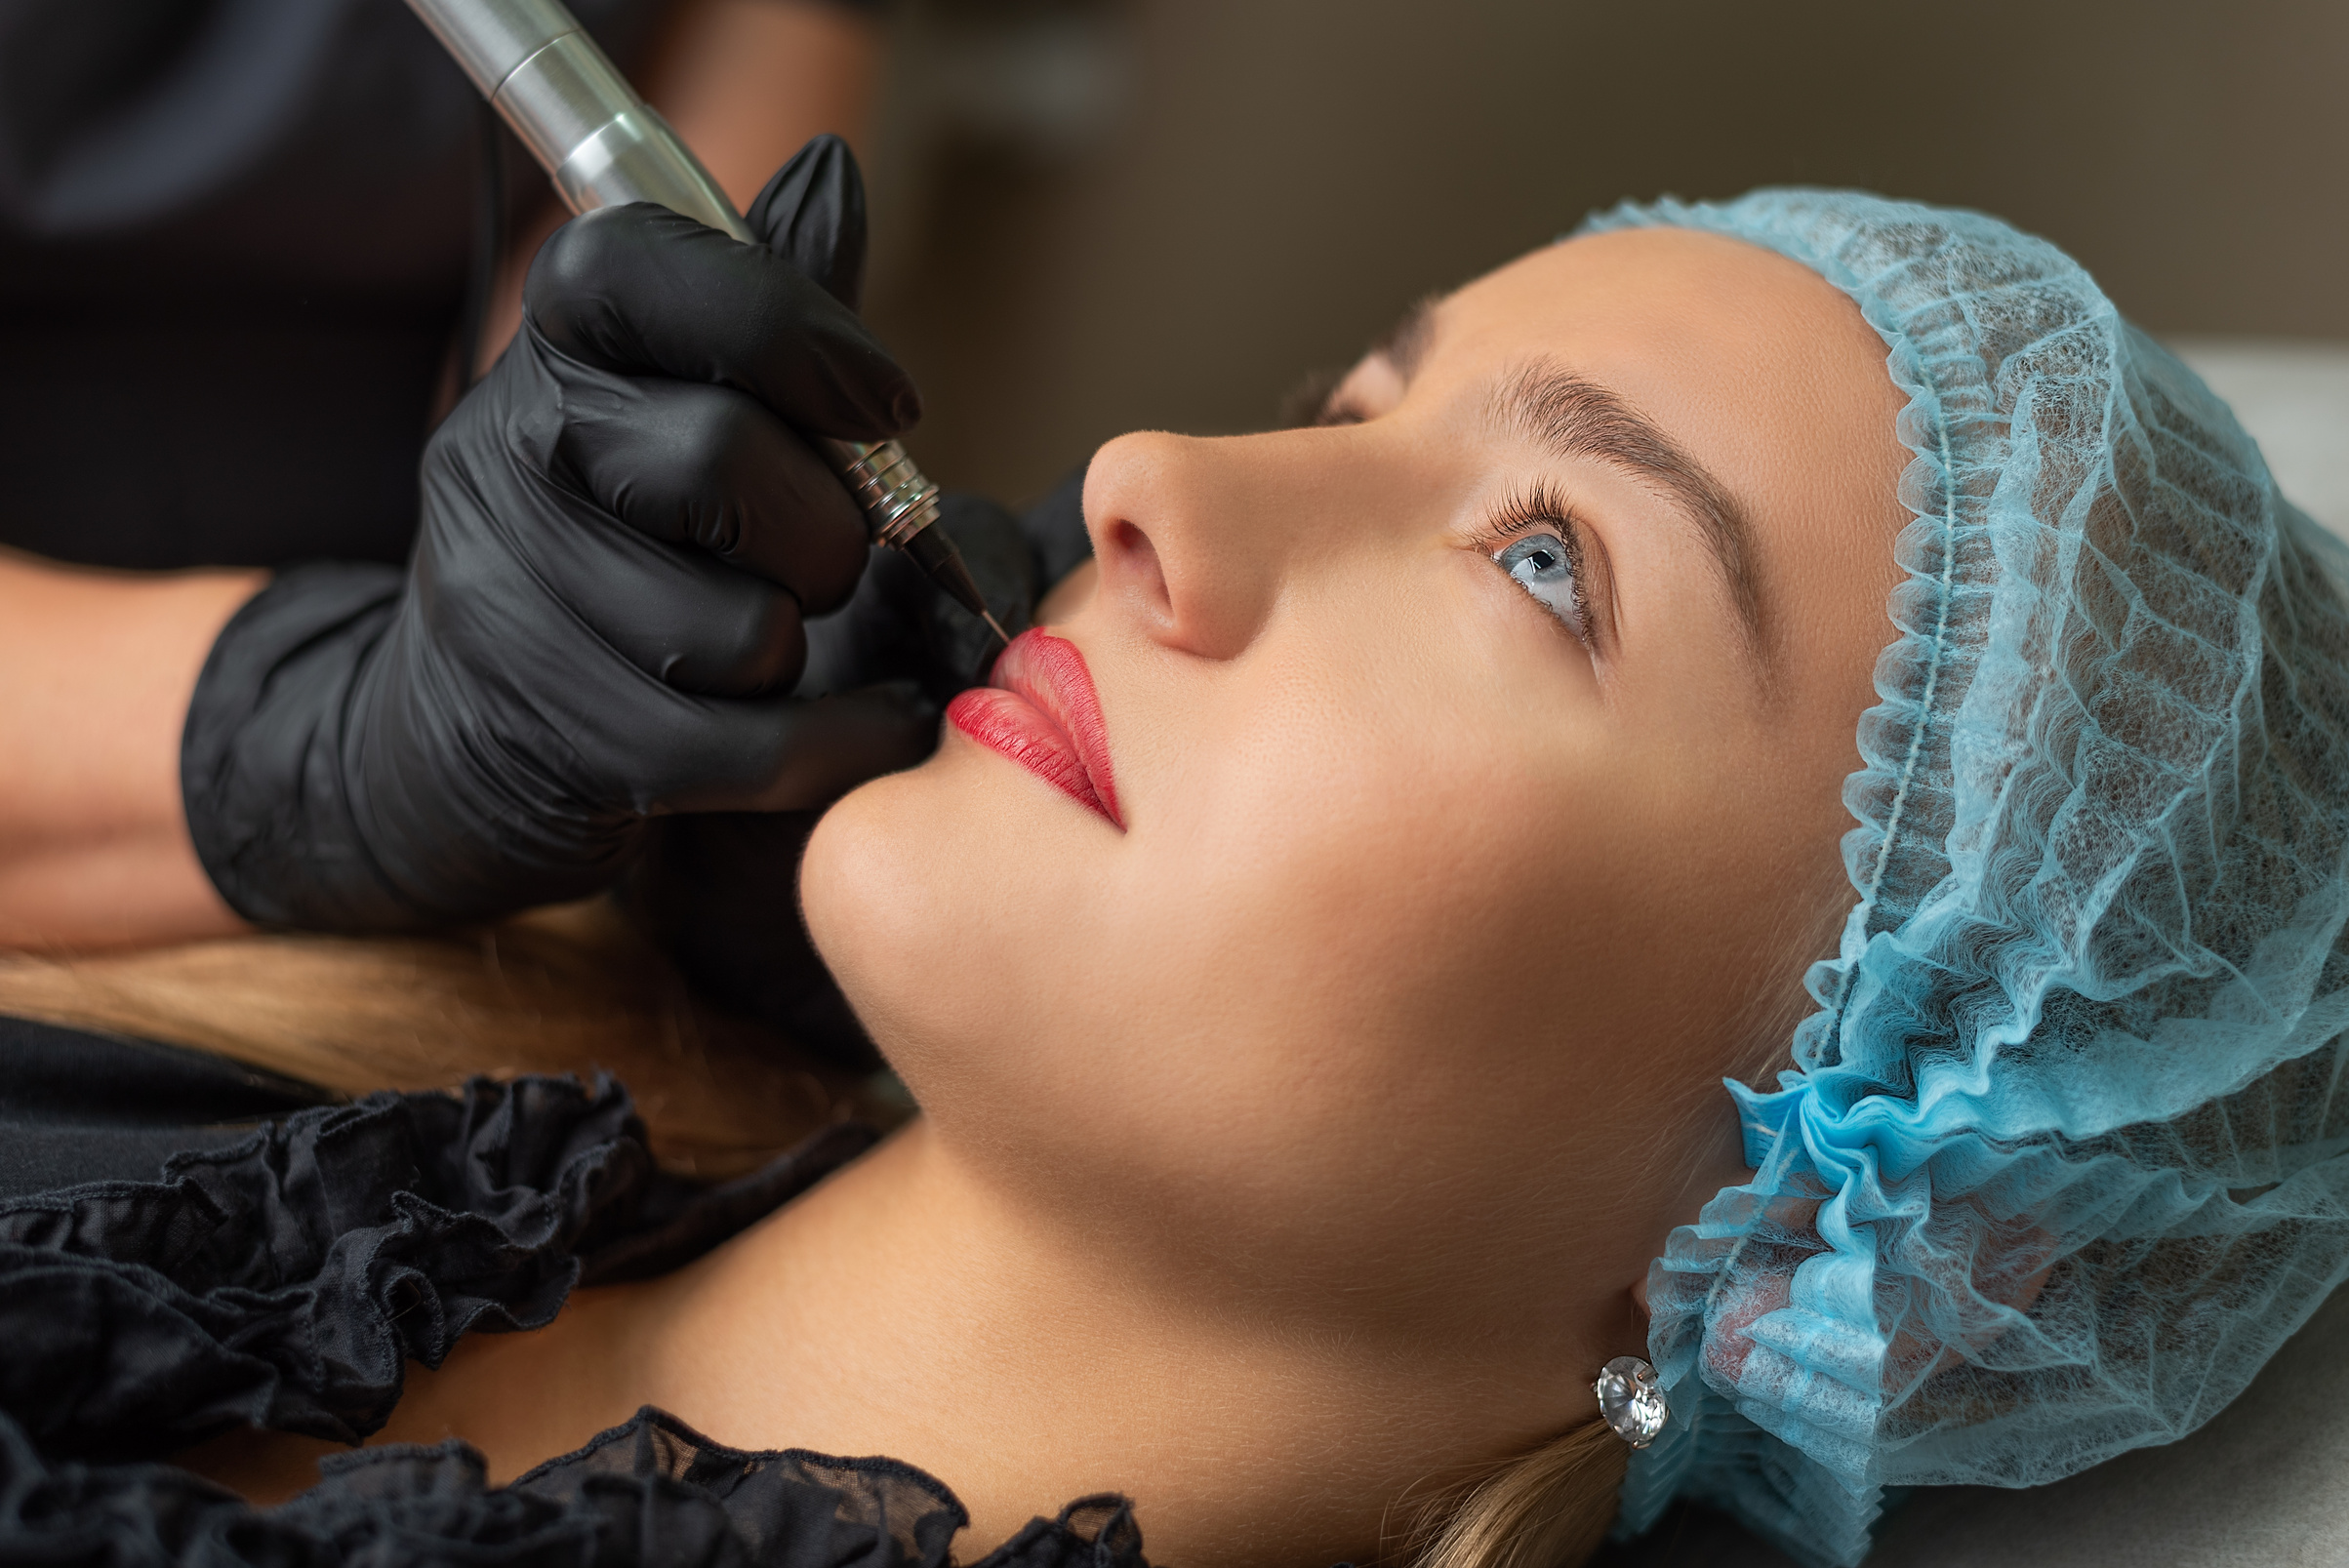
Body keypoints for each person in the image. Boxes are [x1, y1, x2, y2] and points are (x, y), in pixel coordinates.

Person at [4, 187, 2346, 1568]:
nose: (1146, 477)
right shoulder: (371, 1120)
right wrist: (268, 748)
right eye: (1355, 407)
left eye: (1541, 561)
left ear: (1864, 1282)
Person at [0, 0, 1025, 1032]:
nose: (1139, 478)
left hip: (477, 900)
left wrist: (689, 580)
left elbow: (641, 338)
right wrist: (315, 746)